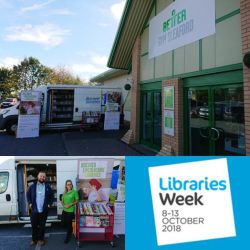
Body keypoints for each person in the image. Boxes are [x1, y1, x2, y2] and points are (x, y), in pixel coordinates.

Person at [26, 171, 53, 247]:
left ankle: (41, 239)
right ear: (38, 177)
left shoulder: (47, 186)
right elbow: (28, 195)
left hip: (44, 210)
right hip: (34, 210)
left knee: (42, 225)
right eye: (41, 176)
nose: (42, 177)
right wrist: (30, 202)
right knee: (34, 225)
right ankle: (34, 239)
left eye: (44, 176)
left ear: (45, 178)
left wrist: (49, 204)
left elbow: (52, 196)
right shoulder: (32, 186)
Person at [61, 180, 79, 244]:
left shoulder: (74, 192)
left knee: (68, 224)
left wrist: (70, 204)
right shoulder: (64, 192)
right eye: (68, 184)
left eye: (70, 184)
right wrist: (63, 205)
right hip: (65, 210)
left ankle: (68, 236)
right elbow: (62, 201)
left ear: (72, 185)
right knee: (63, 223)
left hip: (70, 211)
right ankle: (71, 230)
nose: (69, 185)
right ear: (66, 185)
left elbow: (77, 200)